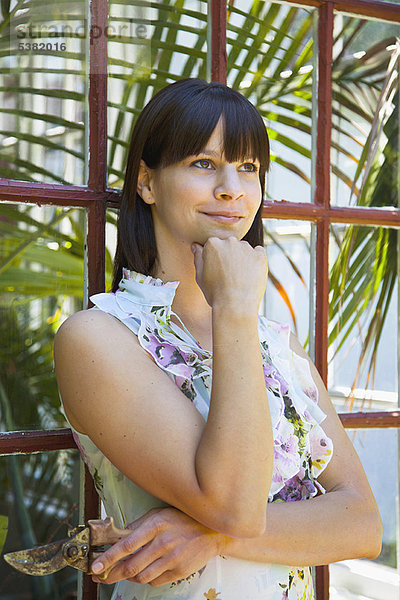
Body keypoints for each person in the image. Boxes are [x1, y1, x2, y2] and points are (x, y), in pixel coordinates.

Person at [54, 78, 382, 600]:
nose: (231, 187)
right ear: (147, 182)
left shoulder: (277, 343)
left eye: (248, 168)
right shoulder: (98, 338)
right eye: (203, 164)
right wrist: (232, 308)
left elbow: (363, 523)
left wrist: (208, 536)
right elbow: (232, 504)